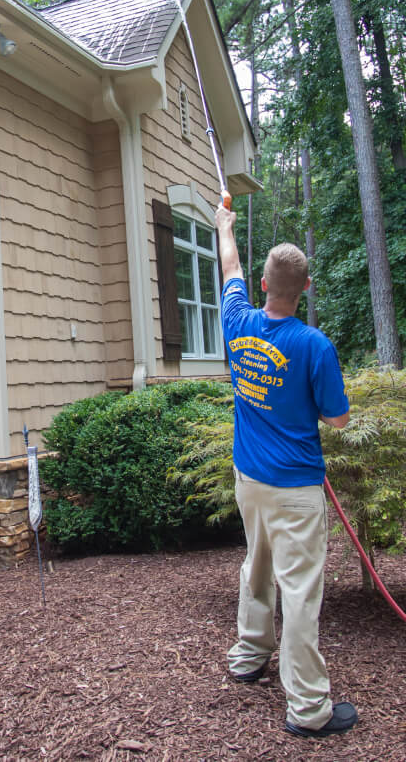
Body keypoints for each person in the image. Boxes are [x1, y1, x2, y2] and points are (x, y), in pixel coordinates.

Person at [215, 200, 356, 739]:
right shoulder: (314, 345)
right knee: (298, 591)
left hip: (249, 481)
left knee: (257, 564)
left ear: (262, 283)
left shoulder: (236, 321)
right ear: (306, 287)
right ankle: (310, 710)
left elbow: (228, 268)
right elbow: (339, 419)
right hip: (296, 491)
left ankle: (250, 656)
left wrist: (225, 225)